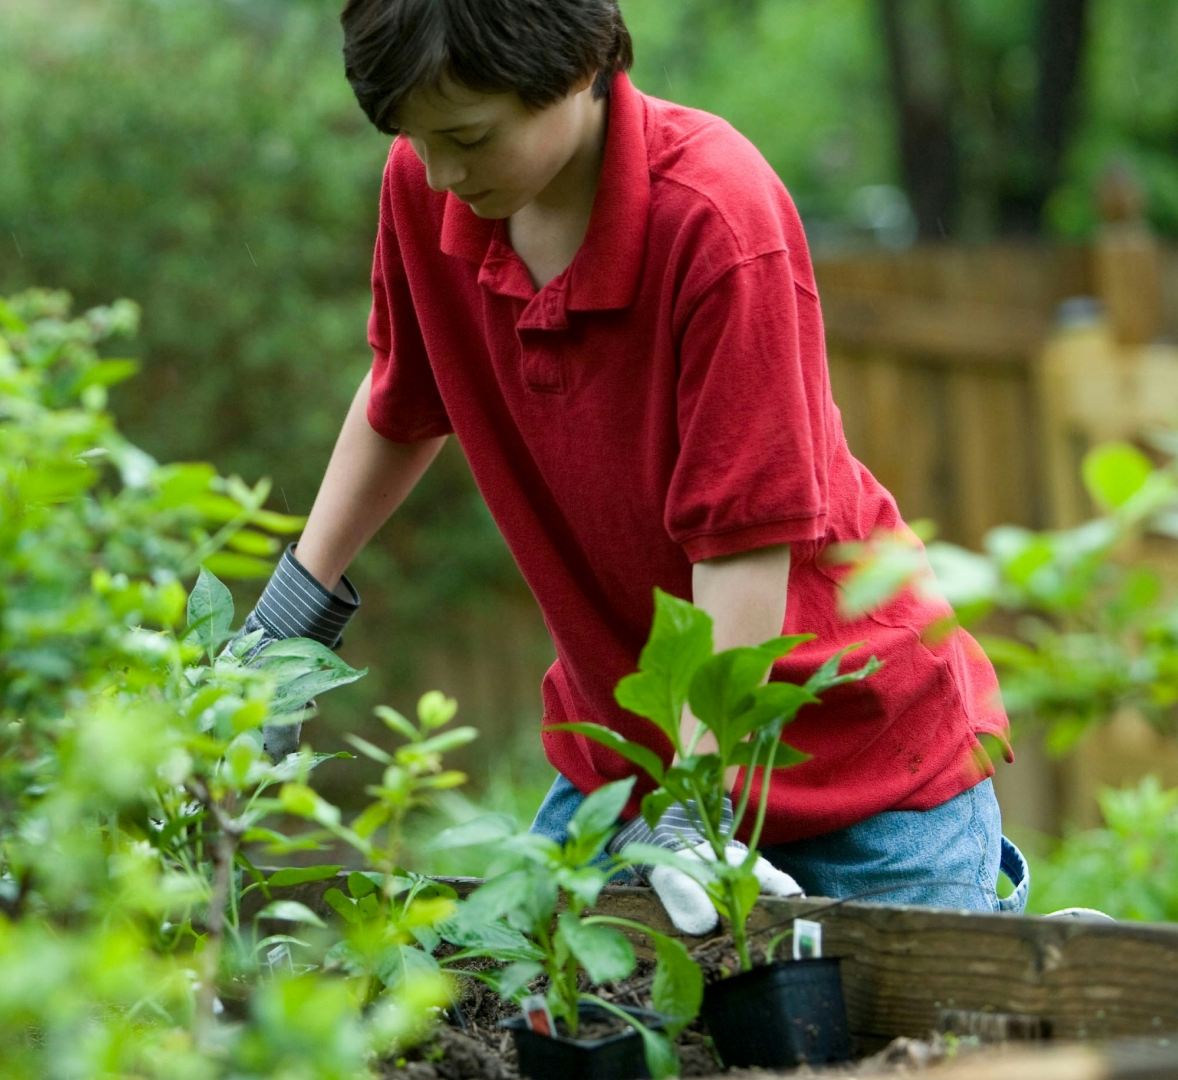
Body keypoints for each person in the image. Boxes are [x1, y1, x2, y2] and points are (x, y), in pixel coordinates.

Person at [238, 0, 1028, 930]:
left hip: (864, 771)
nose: (443, 173)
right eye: (413, 139)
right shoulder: (429, 187)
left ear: (570, 68)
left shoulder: (715, 217)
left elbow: (742, 546)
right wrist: (277, 638)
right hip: (632, 765)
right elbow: (402, 402)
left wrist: (697, 809)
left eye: (467, 138)